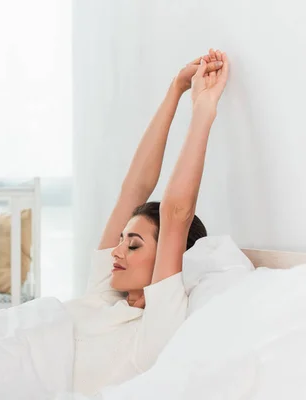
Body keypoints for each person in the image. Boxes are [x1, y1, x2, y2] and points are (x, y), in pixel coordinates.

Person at [65, 49, 230, 396]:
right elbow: (134, 189)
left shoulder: (155, 330)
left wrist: (204, 110)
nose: (117, 249)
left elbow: (176, 215)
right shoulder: (107, 293)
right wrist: (175, 90)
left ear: (167, 262)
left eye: (134, 243)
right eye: (124, 239)